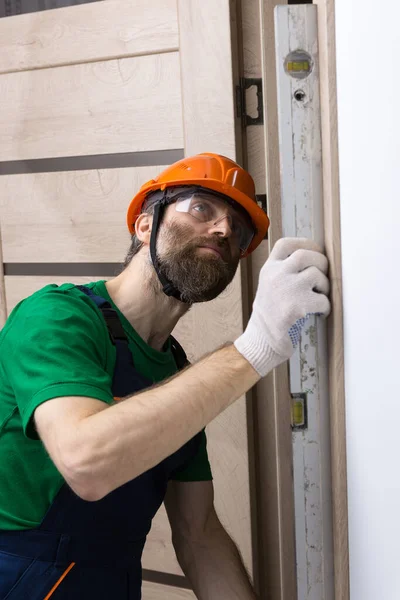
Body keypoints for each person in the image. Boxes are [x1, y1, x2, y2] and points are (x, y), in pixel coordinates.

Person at [0, 153, 330, 599]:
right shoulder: (56, 317)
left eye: (239, 229)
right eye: (200, 208)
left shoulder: (177, 374)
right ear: (143, 224)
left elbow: (200, 536)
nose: (223, 230)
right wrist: (256, 348)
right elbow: (87, 462)